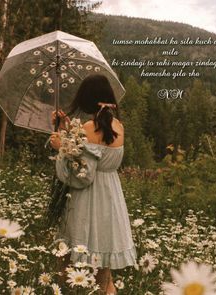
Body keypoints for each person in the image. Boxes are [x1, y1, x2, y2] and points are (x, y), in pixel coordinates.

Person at [50, 74, 137, 294]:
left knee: (68, 265)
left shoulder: (88, 128)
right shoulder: (119, 126)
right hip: (111, 199)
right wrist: (68, 131)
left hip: (88, 199)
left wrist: (61, 147)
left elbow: (82, 175)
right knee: (104, 274)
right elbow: (93, 153)